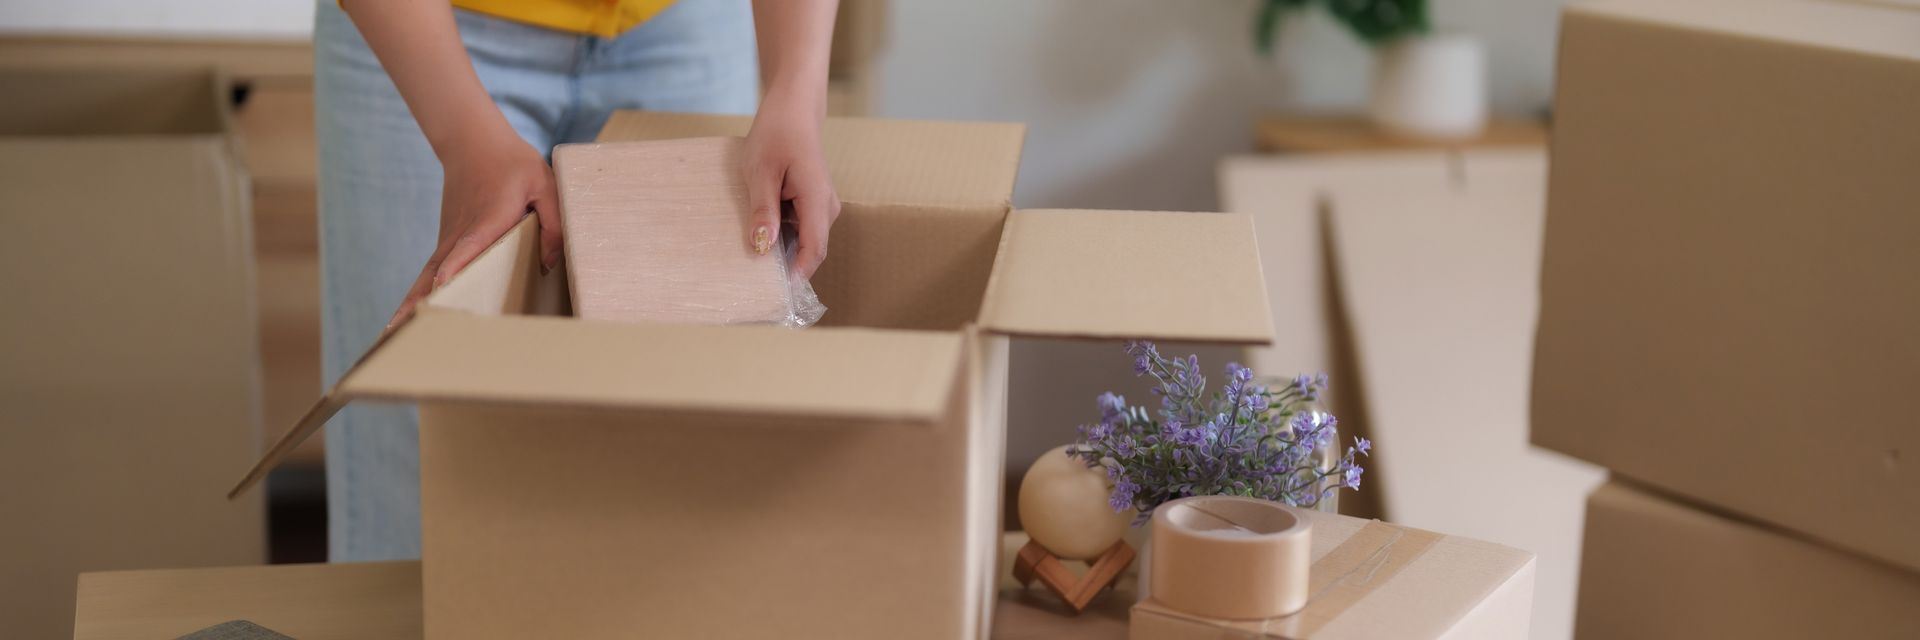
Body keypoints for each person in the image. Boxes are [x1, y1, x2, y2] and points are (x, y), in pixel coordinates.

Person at [314, 0, 841, 562]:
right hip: (429, 29)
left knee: (687, 444)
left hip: (681, 26)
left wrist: (797, 88)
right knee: (419, 445)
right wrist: (464, 141)